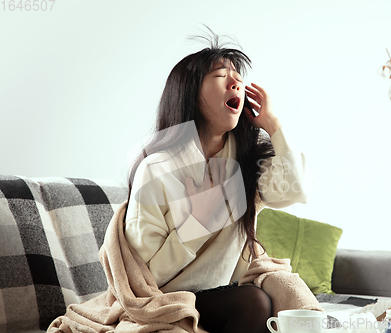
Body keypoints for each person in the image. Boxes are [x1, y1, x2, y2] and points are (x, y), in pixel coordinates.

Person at [124, 37, 307, 333]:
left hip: (224, 292)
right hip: (167, 300)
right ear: (190, 94)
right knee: (254, 302)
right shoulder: (156, 169)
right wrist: (197, 223)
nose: (235, 83)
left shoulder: (246, 161)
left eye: (238, 79)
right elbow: (145, 276)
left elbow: (293, 191)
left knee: (273, 297)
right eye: (221, 76)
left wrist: (272, 124)